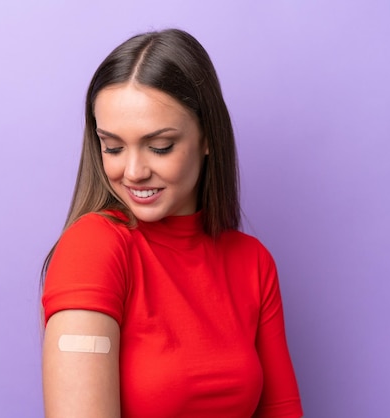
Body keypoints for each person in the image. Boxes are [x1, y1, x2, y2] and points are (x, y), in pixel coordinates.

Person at [40, 28, 303, 418]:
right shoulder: (93, 248)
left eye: (159, 147)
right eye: (112, 146)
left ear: (208, 136)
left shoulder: (253, 262)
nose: (133, 171)